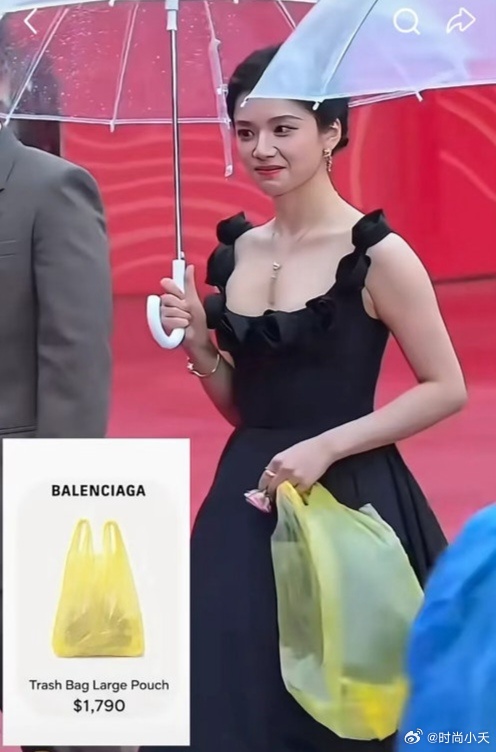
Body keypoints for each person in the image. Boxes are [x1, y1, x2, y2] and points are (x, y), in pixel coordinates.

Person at [147, 45, 467, 752]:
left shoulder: (378, 255)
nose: (262, 148)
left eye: (283, 128)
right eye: (246, 131)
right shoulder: (235, 253)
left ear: (331, 133)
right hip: (245, 497)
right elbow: (247, 409)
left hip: (351, 493)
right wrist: (201, 346)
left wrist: (327, 446)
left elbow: (446, 388)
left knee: (345, 701)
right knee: (230, 690)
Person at [0, 120, 112, 734]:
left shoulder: (51, 188)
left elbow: (75, 364)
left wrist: (56, 503)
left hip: (15, 502)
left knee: (53, 720)